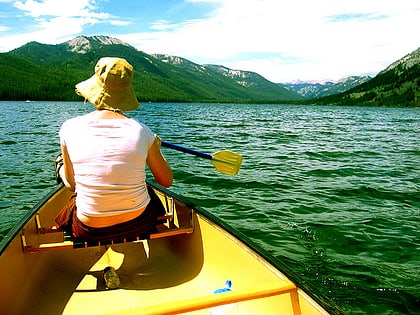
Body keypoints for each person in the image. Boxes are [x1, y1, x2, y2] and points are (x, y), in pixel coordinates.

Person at [54, 57, 173, 242]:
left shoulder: (69, 128)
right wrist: (156, 147)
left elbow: (72, 185)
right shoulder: (143, 132)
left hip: (89, 229)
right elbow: (166, 181)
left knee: (71, 199)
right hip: (138, 224)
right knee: (149, 191)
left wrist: (61, 169)